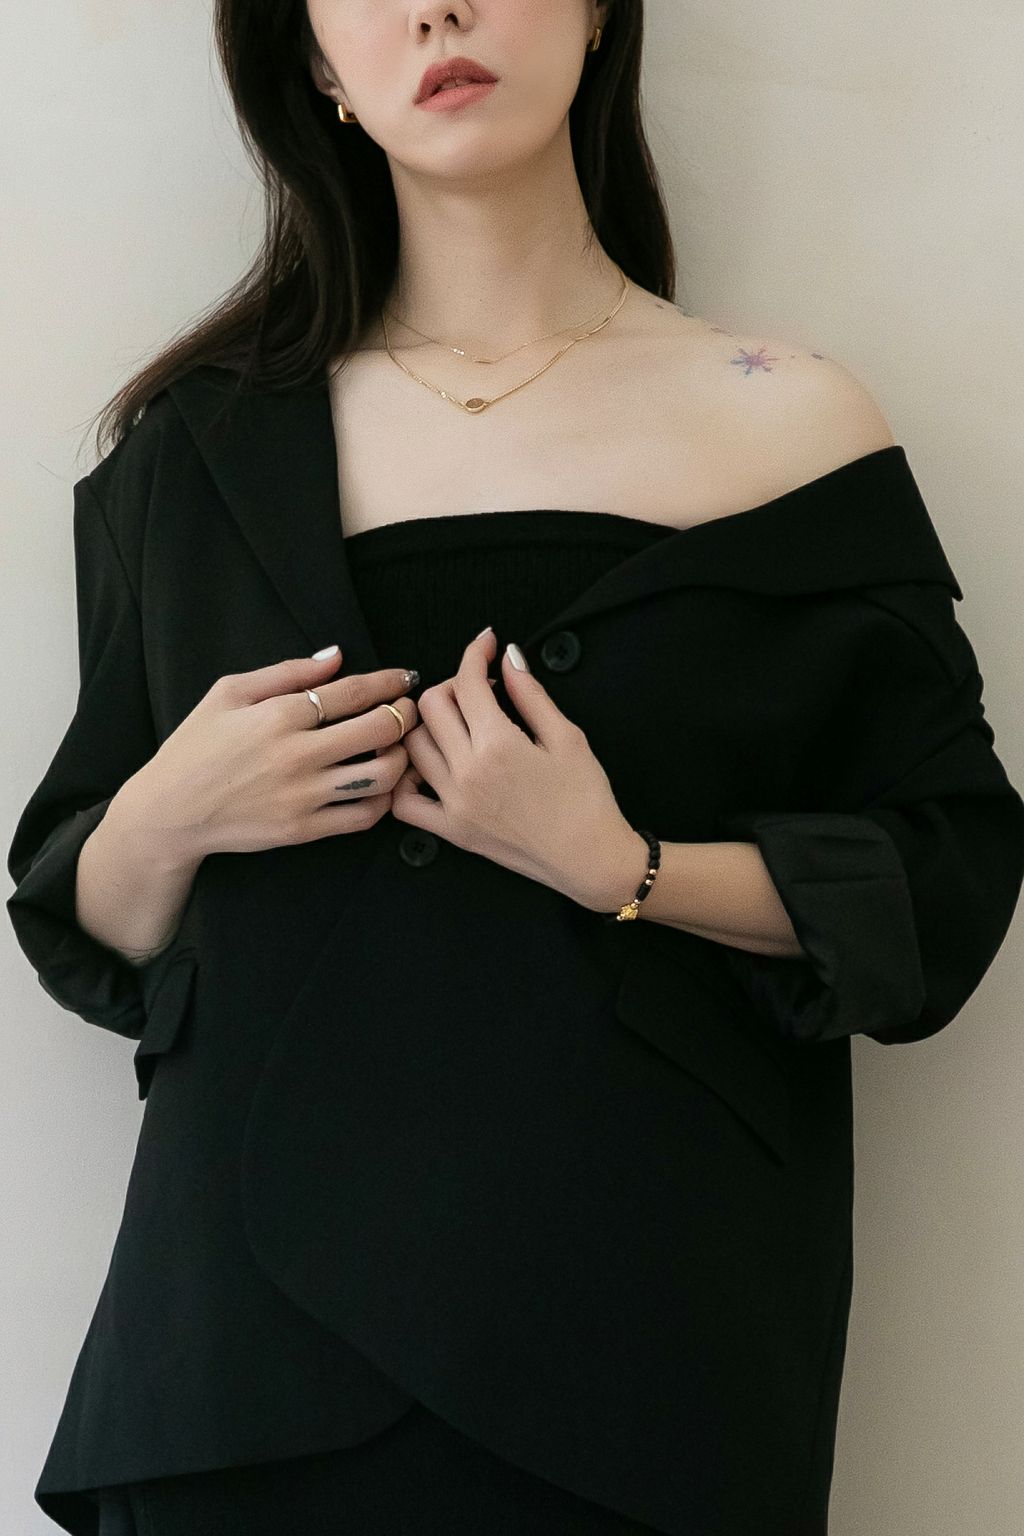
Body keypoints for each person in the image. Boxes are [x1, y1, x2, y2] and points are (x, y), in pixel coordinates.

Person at [8, 3, 1024, 1533]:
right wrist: (169, 810)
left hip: (644, 1354)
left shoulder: (788, 420)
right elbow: (81, 923)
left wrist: (627, 870)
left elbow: (946, 879)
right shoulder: (196, 453)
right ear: (316, 65)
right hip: (240, 1380)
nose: (436, 8)